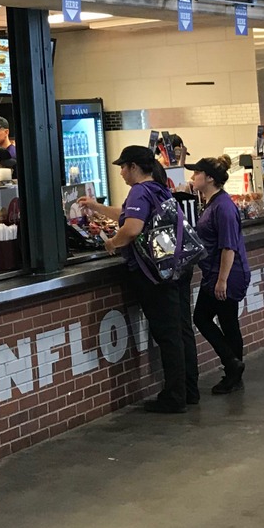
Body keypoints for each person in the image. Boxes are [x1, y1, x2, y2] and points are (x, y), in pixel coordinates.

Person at [79, 146, 198, 412]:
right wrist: (96, 207)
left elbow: (132, 228)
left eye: (123, 167)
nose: (120, 172)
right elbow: (128, 215)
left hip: (155, 274)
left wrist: (112, 242)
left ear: (133, 167)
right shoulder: (158, 188)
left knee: (167, 335)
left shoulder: (139, 191)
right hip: (175, 267)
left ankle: (174, 397)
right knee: (181, 329)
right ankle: (189, 389)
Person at [189, 155, 251, 394]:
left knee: (204, 318)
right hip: (216, 273)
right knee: (227, 322)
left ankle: (232, 366)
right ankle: (234, 368)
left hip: (225, 275)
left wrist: (222, 280)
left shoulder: (223, 207)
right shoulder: (212, 203)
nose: (193, 177)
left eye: (197, 174)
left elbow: (229, 246)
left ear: (210, 178)